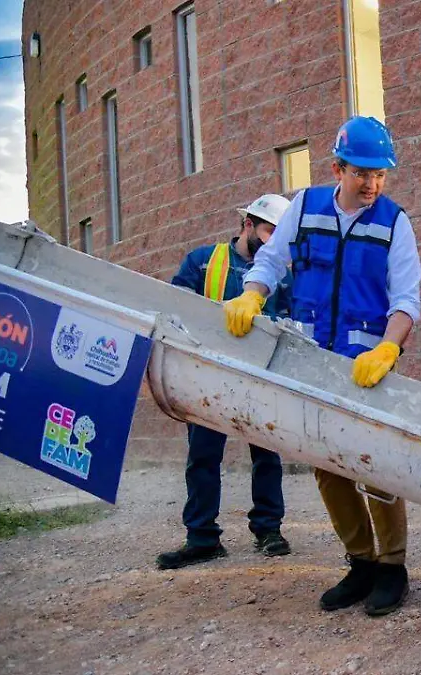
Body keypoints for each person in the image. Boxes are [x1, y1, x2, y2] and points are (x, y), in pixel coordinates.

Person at [225, 116, 421, 617]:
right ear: (337, 168)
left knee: (376, 464)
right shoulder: (305, 208)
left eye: (380, 174)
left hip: (368, 367)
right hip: (312, 362)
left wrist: (389, 349)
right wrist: (252, 295)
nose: (373, 183)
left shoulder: (395, 223)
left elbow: (406, 302)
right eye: (362, 173)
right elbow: (270, 262)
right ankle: (360, 563)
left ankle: (392, 567)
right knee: (328, 466)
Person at [157, 194, 294, 570]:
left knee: (267, 453)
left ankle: (269, 530)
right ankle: (201, 538)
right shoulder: (203, 262)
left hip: (260, 377)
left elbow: (293, 320)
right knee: (202, 456)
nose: (272, 241)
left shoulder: (282, 271)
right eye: (268, 231)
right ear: (247, 224)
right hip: (208, 376)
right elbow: (175, 305)